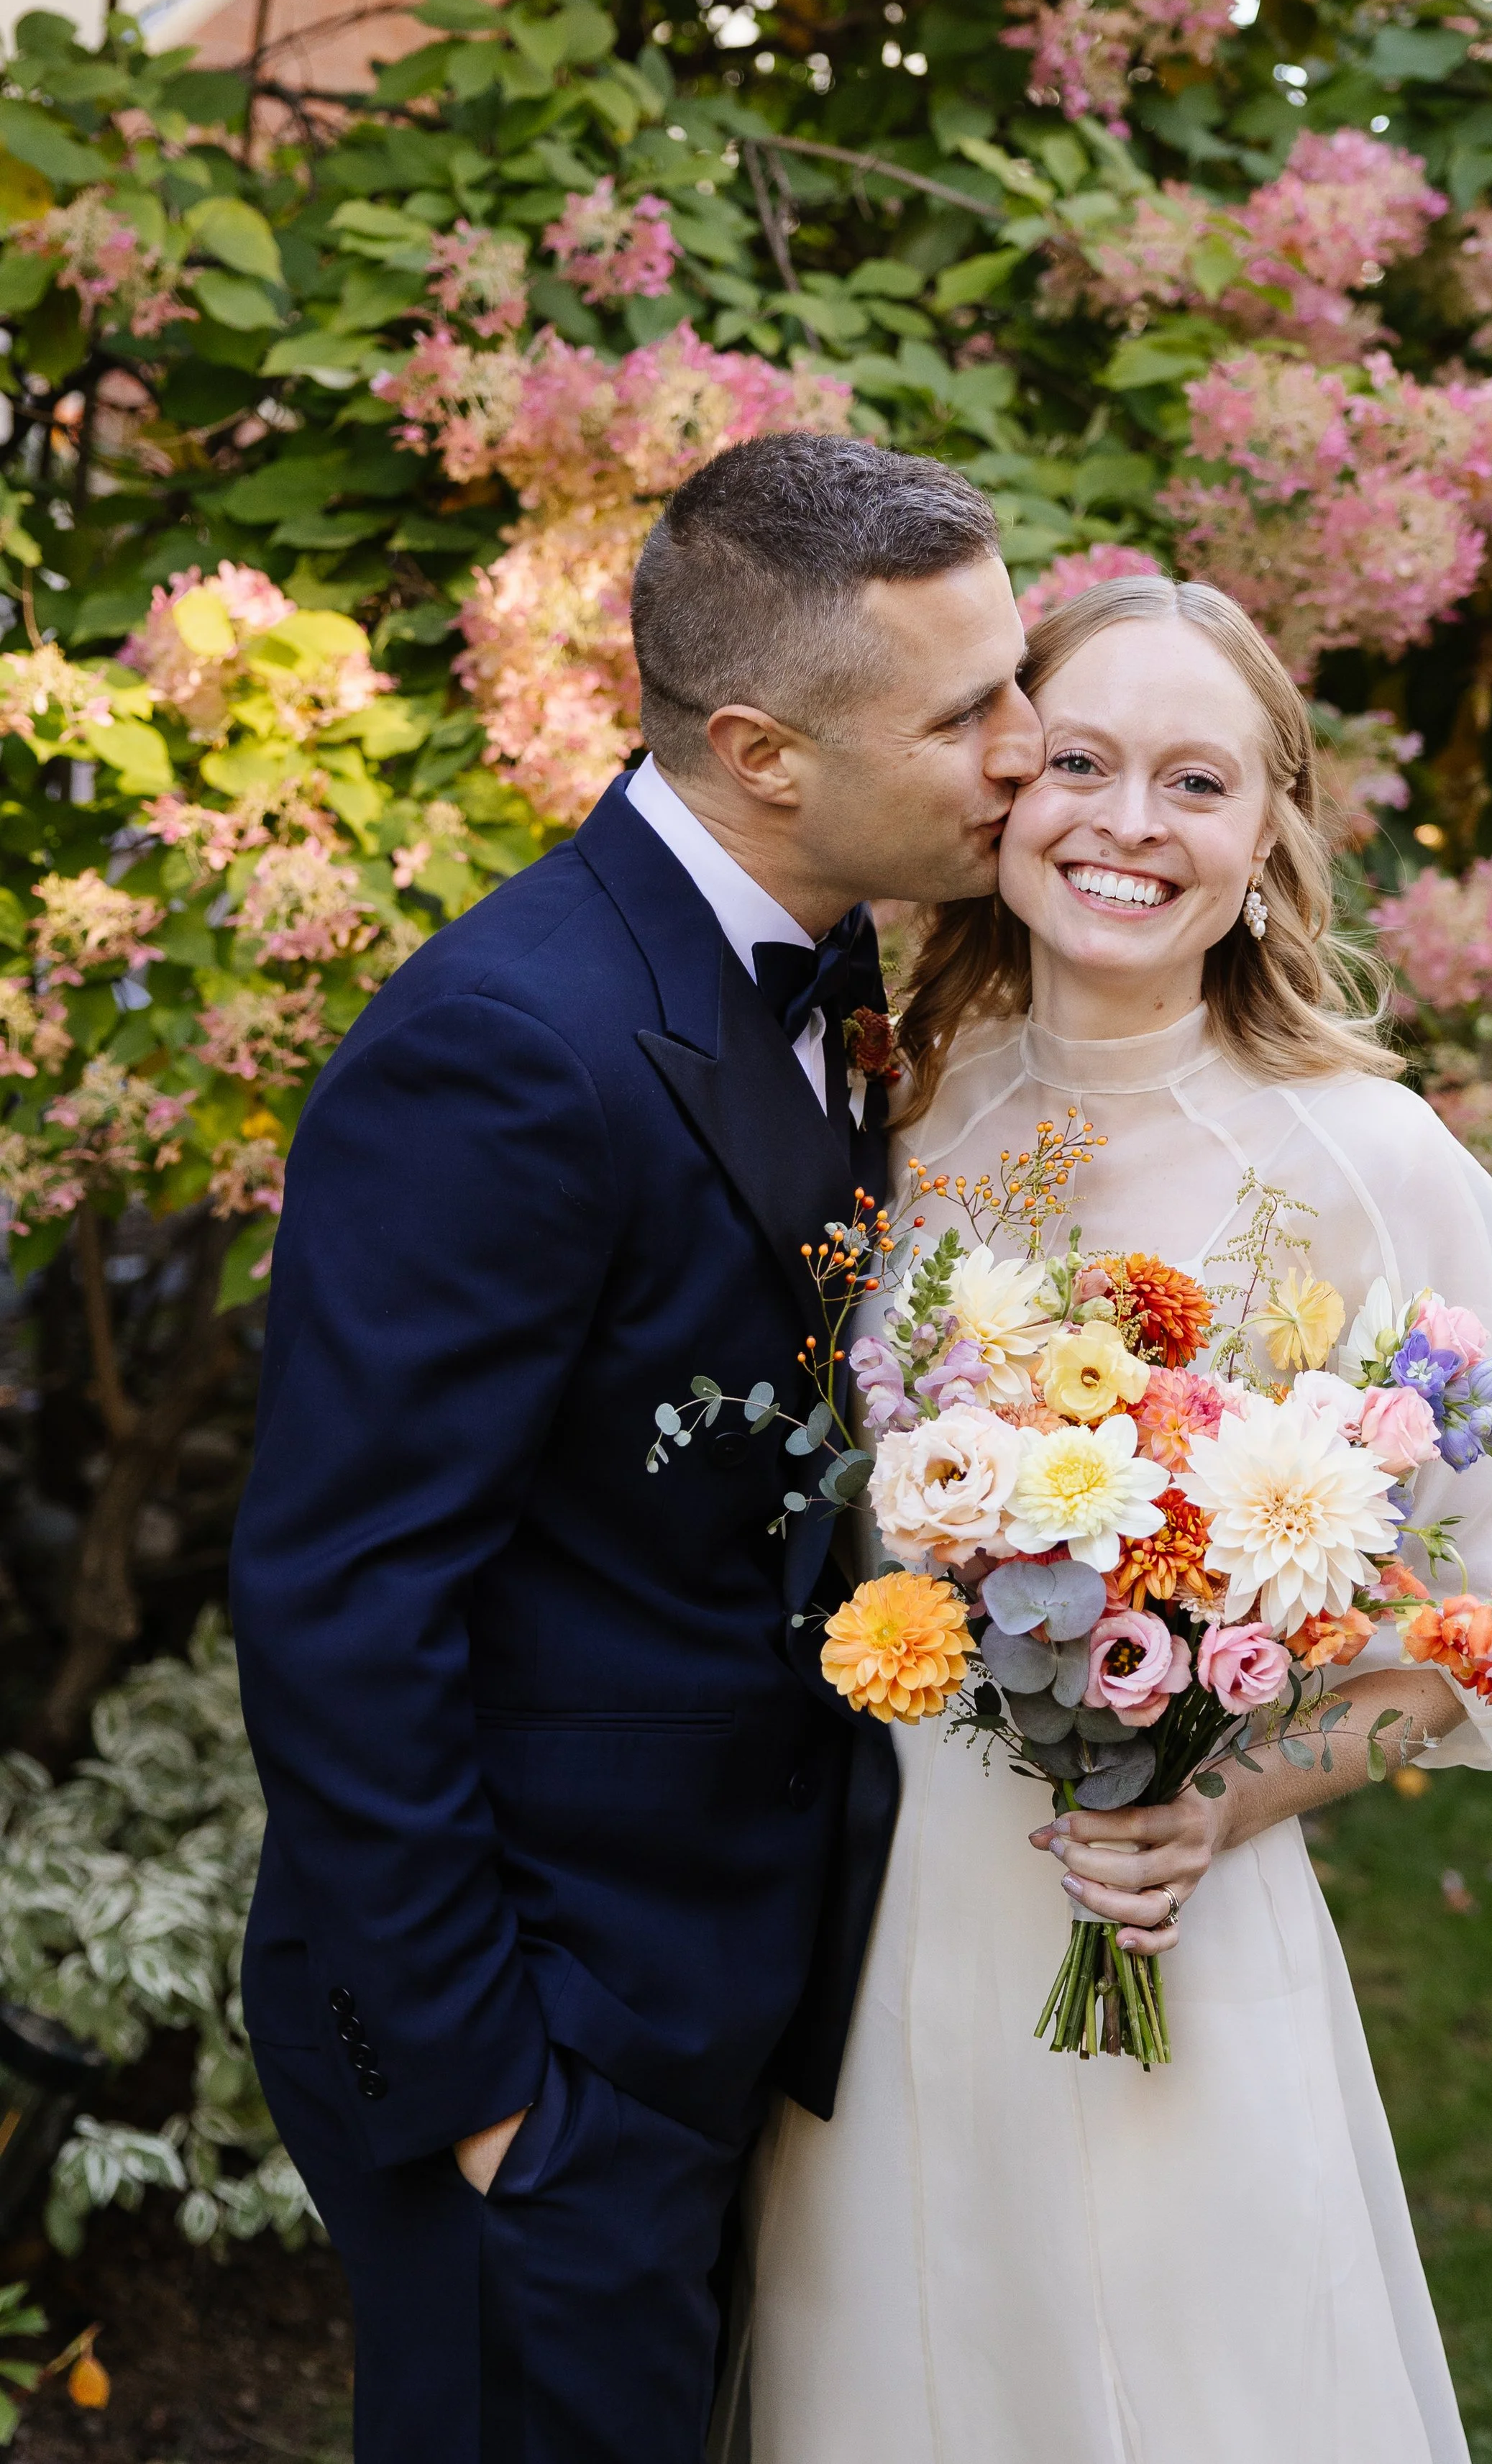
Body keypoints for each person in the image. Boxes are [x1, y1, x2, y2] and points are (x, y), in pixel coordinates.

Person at [227, 432, 1042, 2464]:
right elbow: (342, 1591)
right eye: (969, 712)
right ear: (765, 750)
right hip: (538, 2012)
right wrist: (497, 2089)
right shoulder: (501, 1047)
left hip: (717, 1968)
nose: (1029, 747)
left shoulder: (832, 954)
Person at [731, 575, 1492, 2464]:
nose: (1127, 822)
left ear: (1267, 836)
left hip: (1169, 1921)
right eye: (1081, 762)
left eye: (1192, 780)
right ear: (1003, 794)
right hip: (877, 1925)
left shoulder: (1370, 1162)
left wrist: (1227, 1784)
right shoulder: (887, 1104)